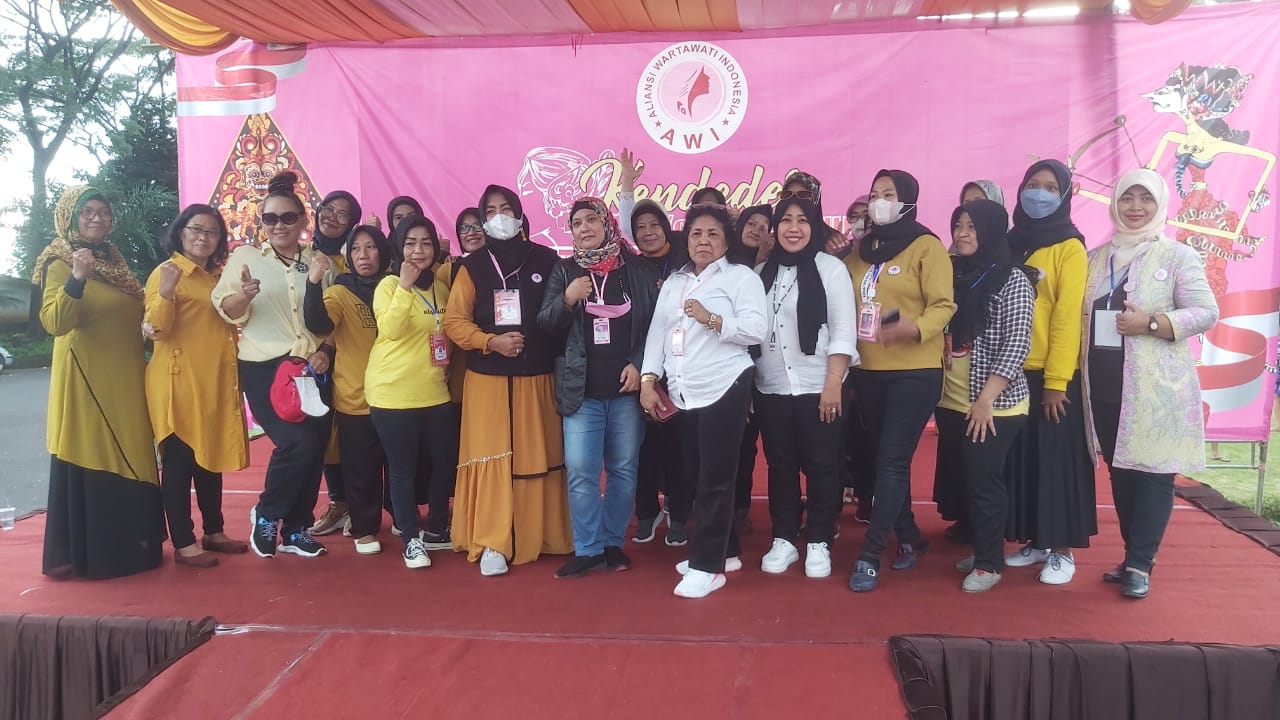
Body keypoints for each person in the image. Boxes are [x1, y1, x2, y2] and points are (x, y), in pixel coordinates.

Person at [1081, 169, 1218, 599]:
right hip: (1103, 386)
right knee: (1122, 472)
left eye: (1145, 199)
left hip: (1157, 389)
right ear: (1115, 203)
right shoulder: (1094, 258)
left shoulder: (1177, 256)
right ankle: (1133, 556)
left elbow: (1206, 311)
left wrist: (1153, 323)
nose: (1135, 207)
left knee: (1155, 474)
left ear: (1159, 206)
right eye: (1127, 198)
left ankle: (1140, 563)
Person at [35, 186, 164, 579]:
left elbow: (128, 315)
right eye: (87, 211)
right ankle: (101, 557)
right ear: (70, 216)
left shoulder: (115, 261)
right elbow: (55, 323)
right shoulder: (58, 260)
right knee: (98, 452)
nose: (96, 217)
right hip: (87, 379)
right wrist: (77, 277)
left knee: (135, 453)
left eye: (103, 211)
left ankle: (135, 548)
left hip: (127, 377)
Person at [443, 184, 573, 576]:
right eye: (491, 211)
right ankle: (492, 540)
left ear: (520, 214)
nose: (499, 217)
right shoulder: (471, 266)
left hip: (537, 378)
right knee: (492, 457)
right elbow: (454, 322)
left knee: (538, 456)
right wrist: (490, 341)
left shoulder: (548, 260)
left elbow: (561, 316)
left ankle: (544, 534)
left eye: (506, 209)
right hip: (488, 382)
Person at [640, 203, 768, 599]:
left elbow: (756, 330)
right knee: (696, 476)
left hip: (725, 383)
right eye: (696, 233)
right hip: (685, 390)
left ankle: (707, 567)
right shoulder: (675, 281)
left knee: (715, 479)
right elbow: (658, 333)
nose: (704, 241)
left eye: (713, 234)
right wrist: (648, 379)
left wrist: (712, 319)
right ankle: (726, 551)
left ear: (726, 241)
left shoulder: (741, 278)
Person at [213, 171, 335, 559]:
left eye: (287, 217)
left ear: (303, 221)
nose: (278, 225)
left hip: (311, 367)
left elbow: (333, 318)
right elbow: (226, 309)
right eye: (270, 218)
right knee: (296, 443)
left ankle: (296, 528)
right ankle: (267, 512)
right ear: (261, 222)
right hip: (265, 367)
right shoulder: (247, 258)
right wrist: (245, 296)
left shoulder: (318, 262)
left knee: (314, 447)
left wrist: (326, 351)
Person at [844, 170, 955, 593]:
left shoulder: (926, 246)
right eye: (875, 193)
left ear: (907, 200)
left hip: (914, 371)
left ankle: (870, 554)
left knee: (890, 460)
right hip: (868, 370)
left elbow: (944, 305)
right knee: (884, 459)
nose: (880, 201)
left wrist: (916, 328)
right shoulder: (859, 252)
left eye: (889, 194)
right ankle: (908, 534)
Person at [538, 198, 659, 578]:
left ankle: (611, 543)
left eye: (592, 219)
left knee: (623, 469)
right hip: (581, 391)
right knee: (581, 470)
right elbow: (545, 324)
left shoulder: (636, 269)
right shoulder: (565, 271)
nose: (585, 227)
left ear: (607, 225)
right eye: (577, 223)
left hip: (626, 393)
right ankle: (588, 548)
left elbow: (658, 324)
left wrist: (639, 363)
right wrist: (567, 299)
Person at [932, 200, 1036, 593]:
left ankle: (990, 564)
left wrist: (986, 400)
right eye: (958, 225)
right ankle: (982, 549)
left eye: (972, 227)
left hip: (993, 404)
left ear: (991, 231)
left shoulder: (1012, 279)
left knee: (983, 480)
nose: (962, 233)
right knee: (965, 478)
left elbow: (1016, 344)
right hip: (951, 399)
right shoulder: (952, 273)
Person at [1002, 159, 1096, 585]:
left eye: (1050, 187)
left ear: (1064, 196)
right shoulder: (1011, 243)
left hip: (1051, 375)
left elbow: (1066, 318)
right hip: (1012, 370)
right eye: (1032, 184)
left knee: (1057, 463)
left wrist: (1057, 383)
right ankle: (1036, 540)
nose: (1038, 194)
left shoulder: (1069, 247)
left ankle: (1062, 551)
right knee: (1025, 461)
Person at [753, 196, 856, 579]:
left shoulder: (830, 268)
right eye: (786, 220)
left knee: (823, 465)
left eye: (802, 220)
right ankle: (783, 538)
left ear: (814, 226)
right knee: (780, 465)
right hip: (772, 387)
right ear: (775, 227)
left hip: (819, 385)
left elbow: (843, 330)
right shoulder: (760, 272)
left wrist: (833, 384)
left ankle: (818, 540)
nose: (793, 228)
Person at [144, 204, 249, 569]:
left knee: (209, 456)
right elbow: (156, 330)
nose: (203, 237)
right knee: (181, 462)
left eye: (211, 231)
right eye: (196, 229)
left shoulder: (218, 277)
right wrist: (166, 292)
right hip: (179, 382)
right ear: (181, 232)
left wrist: (246, 295)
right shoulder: (167, 272)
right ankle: (184, 542)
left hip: (214, 381)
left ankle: (214, 531)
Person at [367, 215, 459, 568]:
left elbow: (445, 331)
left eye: (426, 243)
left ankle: (436, 528)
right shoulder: (389, 285)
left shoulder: (440, 289)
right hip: (393, 392)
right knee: (402, 468)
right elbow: (390, 329)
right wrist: (405, 287)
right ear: (398, 247)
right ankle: (410, 538)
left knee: (444, 462)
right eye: (410, 243)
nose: (418, 250)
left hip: (434, 390)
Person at [616, 149, 693, 547]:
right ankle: (646, 513)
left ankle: (679, 514)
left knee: (677, 449)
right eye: (640, 227)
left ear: (666, 227)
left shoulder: (686, 256)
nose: (647, 232)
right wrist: (627, 185)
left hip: (681, 366)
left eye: (653, 225)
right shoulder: (632, 265)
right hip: (642, 366)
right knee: (642, 449)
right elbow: (624, 222)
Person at [304, 224, 393, 556]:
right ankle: (364, 527)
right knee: (361, 468)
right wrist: (314, 282)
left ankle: (402, 517)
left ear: (383, 252)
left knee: (400, 464)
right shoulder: (340, 292)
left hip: (399, 394)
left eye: (370, 247)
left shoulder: (397, 285)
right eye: (355, 249)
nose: (363, 255)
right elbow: (319, 324)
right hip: (357, 396)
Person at [308, 189, 362, 537]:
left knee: (351, 434)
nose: (331, 217)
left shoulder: (353, 262)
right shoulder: (302, 255)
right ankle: (338, 502)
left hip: (344, 358)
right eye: (328, 209)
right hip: (305, 360)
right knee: (323, 436)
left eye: (342, 214)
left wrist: (327, 351)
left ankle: (358, 503)